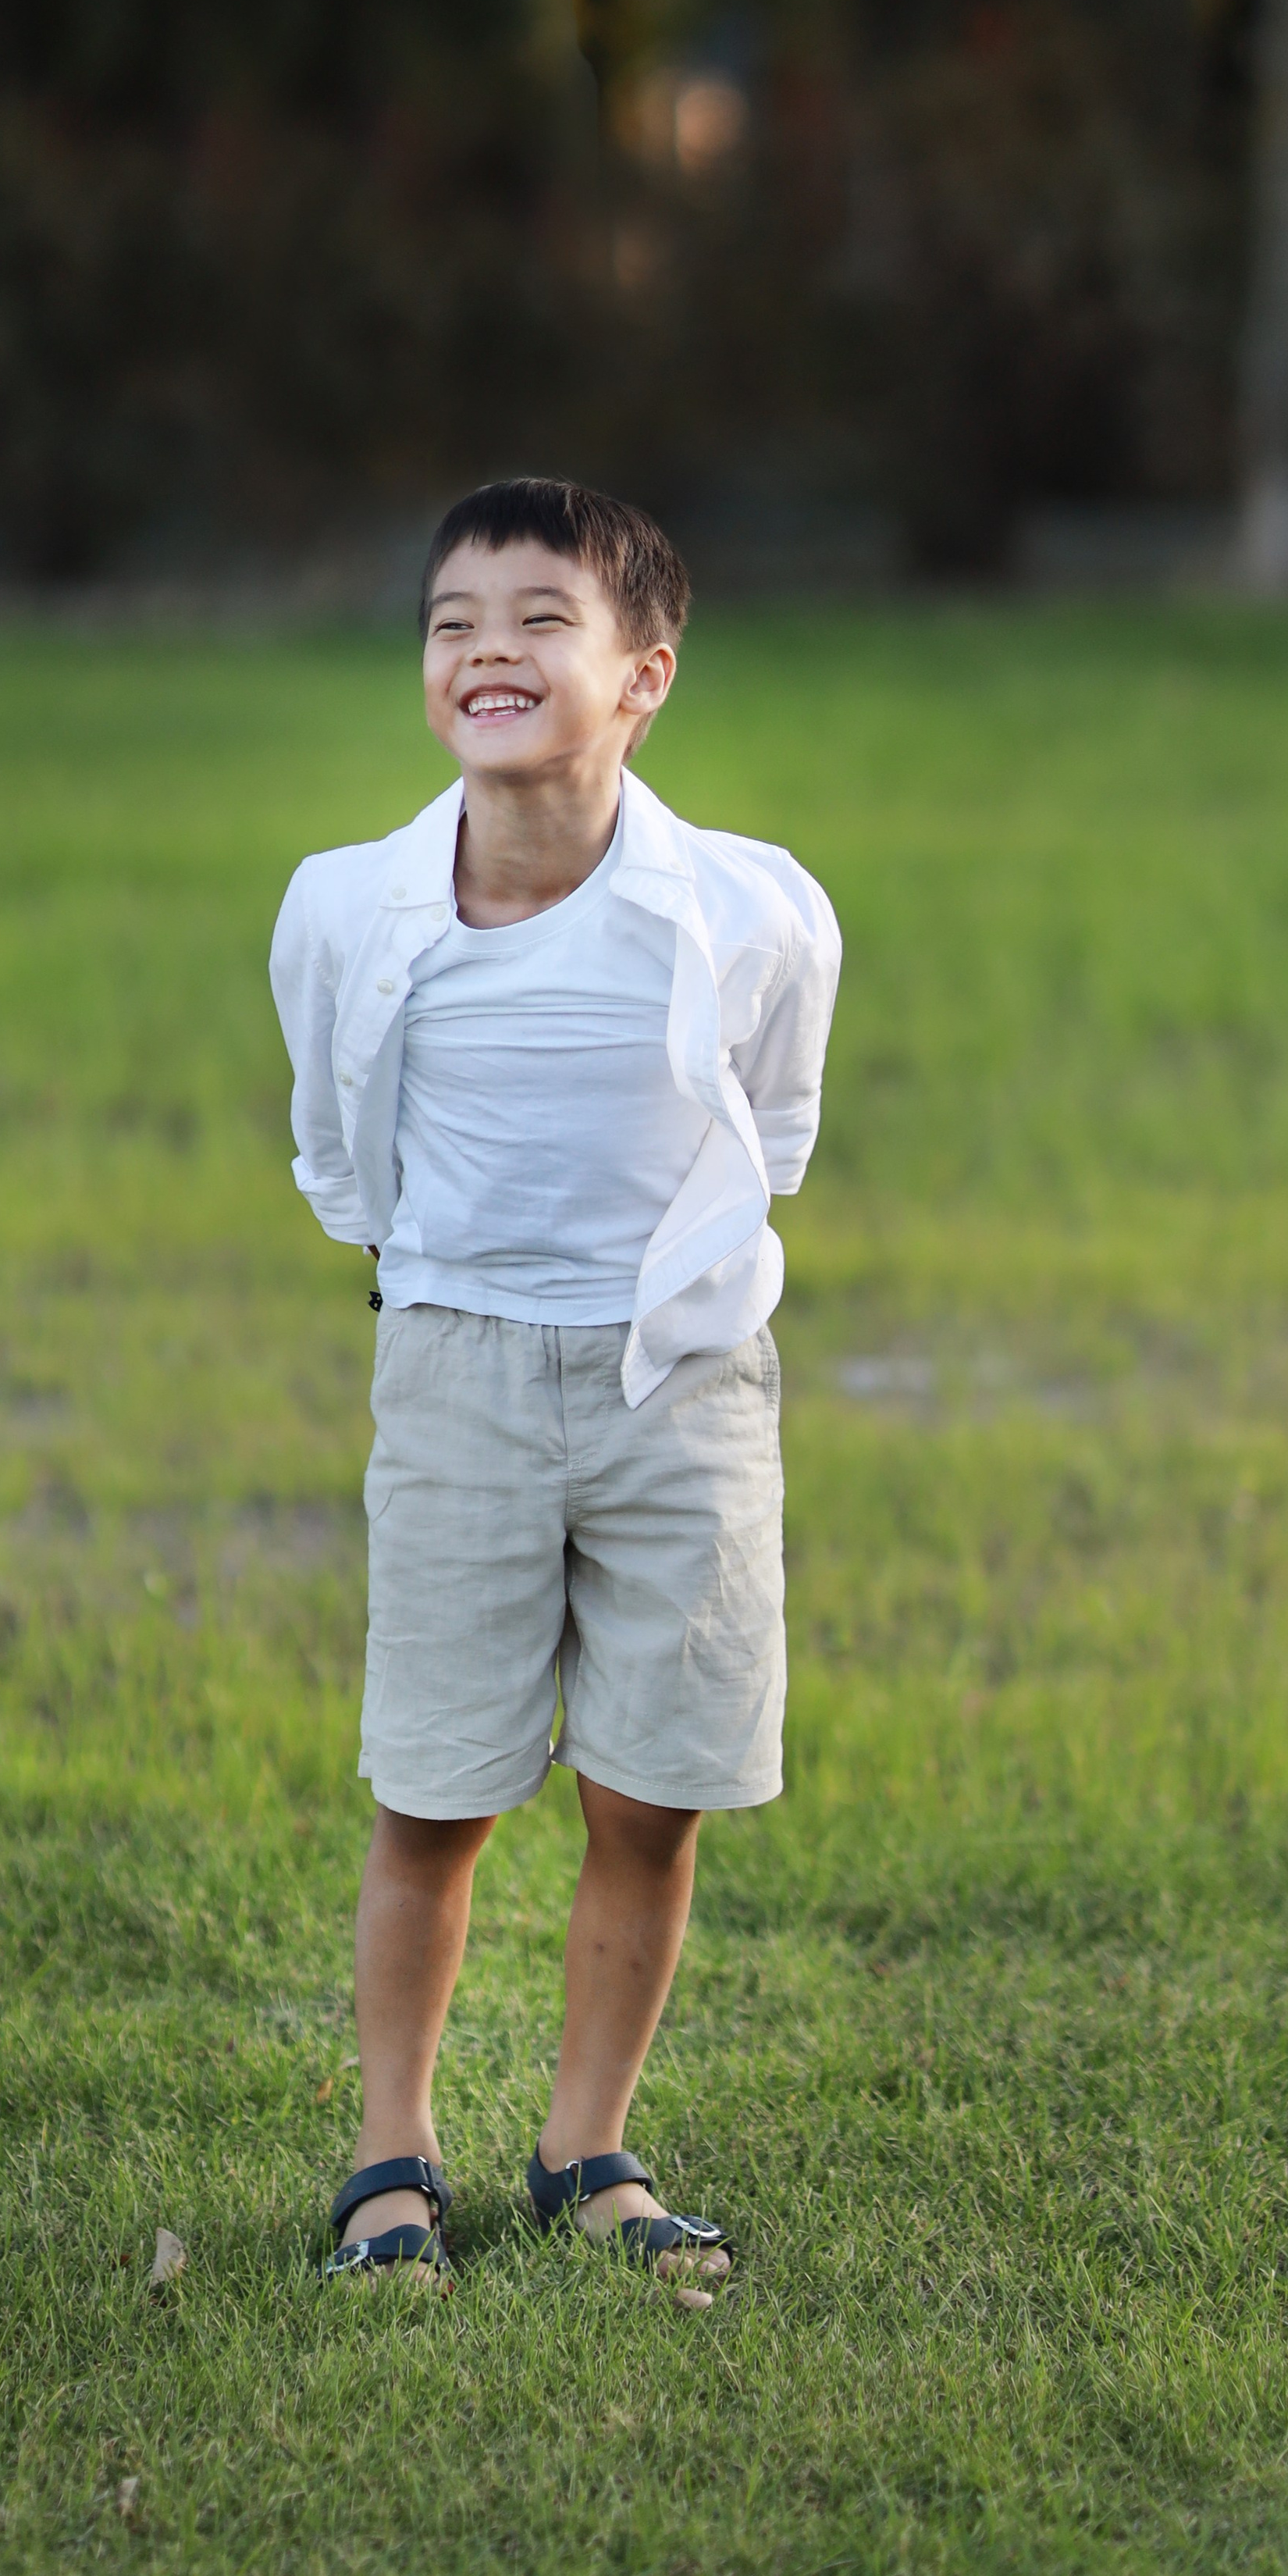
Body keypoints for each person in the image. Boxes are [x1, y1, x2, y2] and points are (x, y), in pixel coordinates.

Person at [269, 476, 841, 2289]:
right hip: (457, 1370)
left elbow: (770, 1128)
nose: (485, 650)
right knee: (433, 1790)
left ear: (642, 676)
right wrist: (459, 1295)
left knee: (650, 1794)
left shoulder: (748, 911)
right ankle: (390, 2160)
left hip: (679, 1379)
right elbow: (336, 1150)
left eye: (537, 620)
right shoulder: (348, 908)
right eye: (451, 622)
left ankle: (584, 2145)